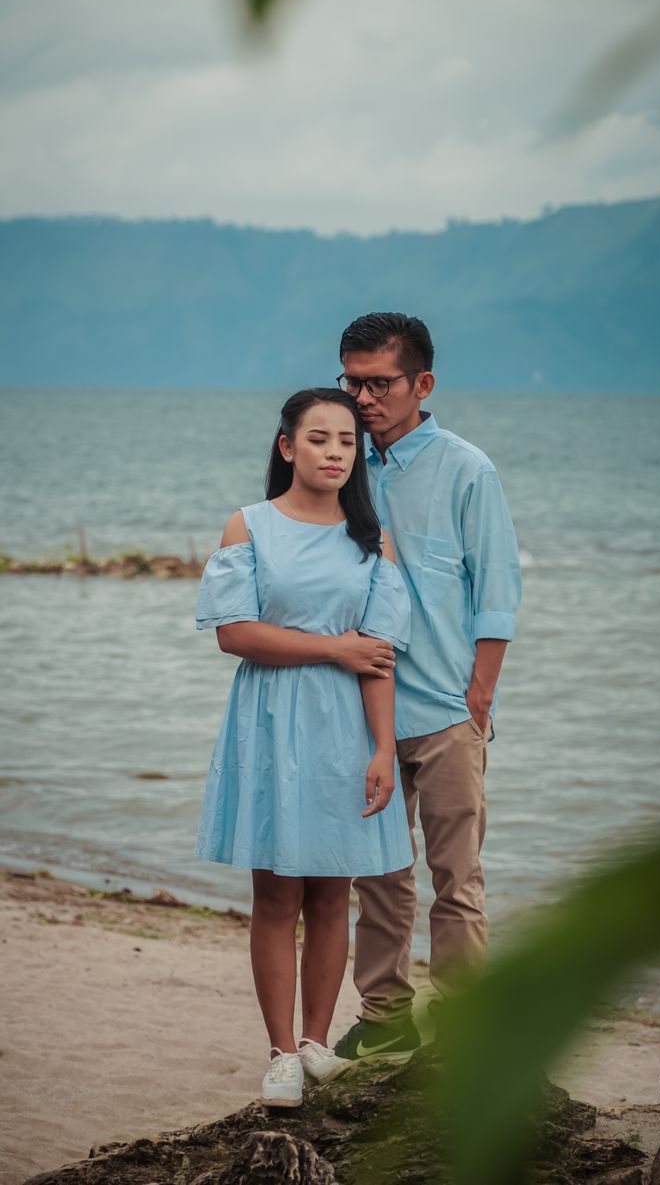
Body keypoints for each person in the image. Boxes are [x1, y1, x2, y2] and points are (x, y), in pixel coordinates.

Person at [194, 387, 413, 1106]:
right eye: (319, 438)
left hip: (347, 730)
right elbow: (236, 632)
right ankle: (280, 1050)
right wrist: (334, 649)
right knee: (276, 892)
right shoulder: (249, 525)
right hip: (271, 720)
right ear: (288, 446)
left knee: (334, 888)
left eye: (347, 441)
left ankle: (317, 1042)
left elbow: (376, 656)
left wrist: (383, 749)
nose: (334, 452)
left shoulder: (371, 539)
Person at [332, 313, 522, 1062]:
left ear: (422, 384)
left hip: (447, 712)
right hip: (365, 711)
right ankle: (385, 1013)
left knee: (458, 878)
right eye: (353, 381)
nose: (364, 397)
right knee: (377, 875)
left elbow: (498, 592)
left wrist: (479, 699)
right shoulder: (344, 464)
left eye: (379, 382)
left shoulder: (468, 469)